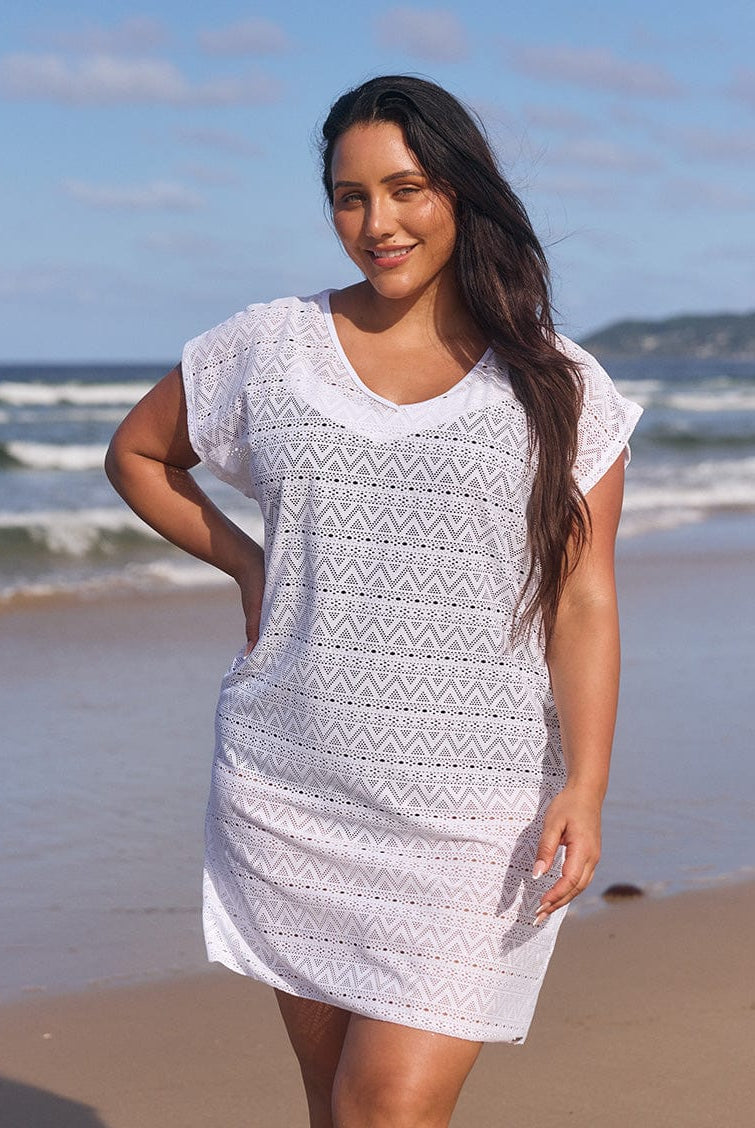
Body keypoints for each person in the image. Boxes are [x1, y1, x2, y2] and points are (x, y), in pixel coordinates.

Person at [106, 75, 642, 1128]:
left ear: (460, 192)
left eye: (405, 189)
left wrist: (584, 785)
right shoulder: (267, 345)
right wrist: (250, 563)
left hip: (472, 814)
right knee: (336, 1111)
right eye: (348, 198)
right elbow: (137, 454)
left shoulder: (555, 386)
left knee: (382, 1110)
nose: (376, 223)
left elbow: (582, 601)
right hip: (293, 783)